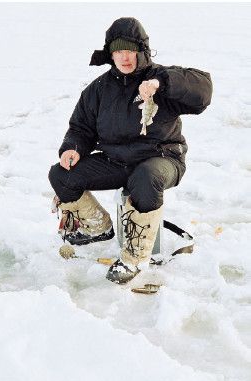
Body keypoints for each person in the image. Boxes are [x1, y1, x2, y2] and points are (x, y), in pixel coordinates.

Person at [49, 17, 213, 285]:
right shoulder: (98, 90)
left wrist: (163, 83)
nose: (125, 58)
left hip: (161, 158)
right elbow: (81, 128)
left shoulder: (160, 79)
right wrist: (73, 148)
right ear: (110, 54)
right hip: (116, 162)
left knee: (145, 177)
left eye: (130, 51)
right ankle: (97, 227)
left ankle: (135, 256)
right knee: (61, 174)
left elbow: (204, 91)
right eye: (118, 51)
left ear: (141, 51)